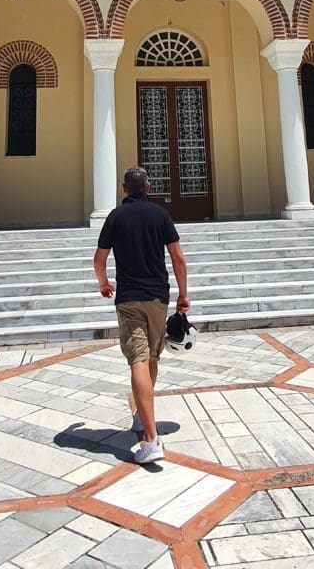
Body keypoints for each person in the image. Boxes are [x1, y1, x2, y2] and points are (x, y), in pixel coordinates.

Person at [93, 166, 189, 464]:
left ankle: (150, 438)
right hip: (157, 297)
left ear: (124, 189)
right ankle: (142, 417)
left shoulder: (115, 216)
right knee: (151, 359)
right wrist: (183, 295)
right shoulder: (160, 214)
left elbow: (99, 258)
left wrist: (104, 283)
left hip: (129, 298)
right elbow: (178, 257)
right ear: (148, 187)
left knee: (138, 360)